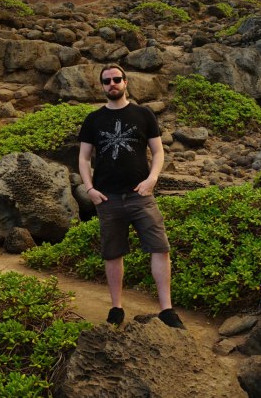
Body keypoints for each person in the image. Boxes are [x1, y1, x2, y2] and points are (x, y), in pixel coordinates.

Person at [78, 64, 185, 329]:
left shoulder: (143, 114)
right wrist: (89, 188)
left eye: (116, 79)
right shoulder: (93, 119)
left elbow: (158, 152)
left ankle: (167, 309)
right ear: (101, 86)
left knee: (160, 248)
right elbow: (83, 158)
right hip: (108, 198)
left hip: (140, 195)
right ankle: (116, 308)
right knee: (113, 253)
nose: (112, 84)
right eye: (107, 81)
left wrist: (152, 179)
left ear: (126, 82)